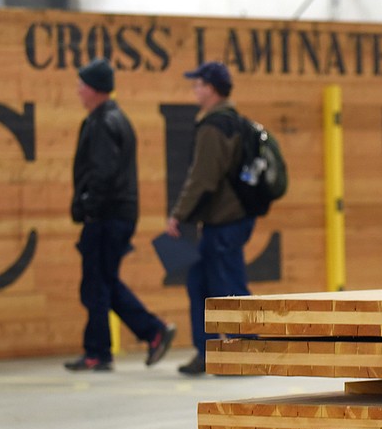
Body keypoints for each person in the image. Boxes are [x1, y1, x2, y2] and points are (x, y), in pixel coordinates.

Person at [65, 58, 175, 372]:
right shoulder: (114, 118)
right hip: (117, 214)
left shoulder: (103, 122)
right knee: (102, 282)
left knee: (97, 284)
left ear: (94, 89)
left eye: (81, 85)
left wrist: (88, 207)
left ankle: (105, 349)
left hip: (107, 216)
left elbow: (102, 173)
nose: (77, 91)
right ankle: (148, 333)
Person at [167, 61, 255, 376]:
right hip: (231, 218)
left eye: (198, 84)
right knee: (201, 282)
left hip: (224, 221)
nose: (194, 89)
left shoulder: (213, 127)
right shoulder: (237, 122)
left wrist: (179, 215)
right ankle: (207, 352)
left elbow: (202, 179)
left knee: (228, 286)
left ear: (212, 89)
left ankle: (247, 351)